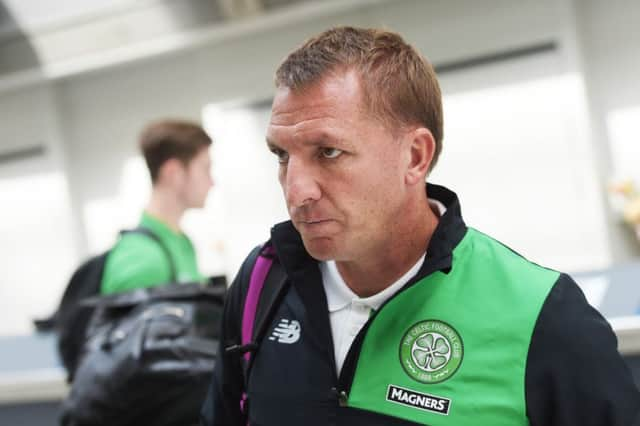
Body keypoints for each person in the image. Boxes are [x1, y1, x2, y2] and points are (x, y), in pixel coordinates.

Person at [201, 27, 640, 426]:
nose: (296, 191)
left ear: (414, 157)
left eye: (328, 152)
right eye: (282, 155)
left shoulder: (542, 316)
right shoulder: (264, 283)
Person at [101, 119, 213, 294]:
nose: (212, 182)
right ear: (174, 172)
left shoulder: (181, 242)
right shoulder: (141, 256)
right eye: (205, 169)